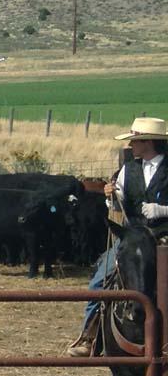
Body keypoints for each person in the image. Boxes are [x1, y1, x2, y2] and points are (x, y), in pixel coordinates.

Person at [67, 117, 168, 356]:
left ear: (148, 142)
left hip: (164, 237)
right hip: (133, 237)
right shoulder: (128, 169)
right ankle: (89, 336)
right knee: (100, 279)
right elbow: (118, 203)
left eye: (134, 141)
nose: (131, 146)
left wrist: (163, 210)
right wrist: (110, 196)